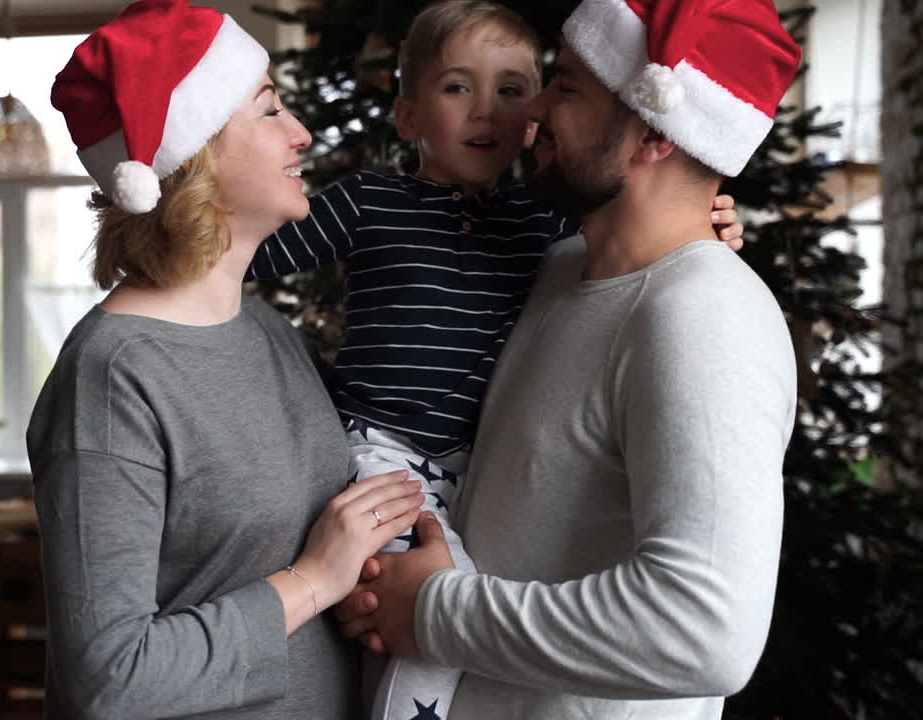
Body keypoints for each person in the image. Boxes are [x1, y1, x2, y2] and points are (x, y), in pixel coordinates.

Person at [246, 1, 743, 717]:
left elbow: (651, 229)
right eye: (457, 88)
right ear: (409, 117)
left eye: (512, 90)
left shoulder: (546, 221)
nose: (488, 110)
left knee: (438, 605)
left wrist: (711, 225)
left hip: (474, 463)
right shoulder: (369, 202)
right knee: (420, 614)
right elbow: (244, 254)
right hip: (378, 445)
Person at [26, 1, 426, 718]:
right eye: (270, 109)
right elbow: (110, 679)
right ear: (199, 153)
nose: (302, 134)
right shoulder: (114, 374)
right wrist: (312, 581)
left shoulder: (269, 333)